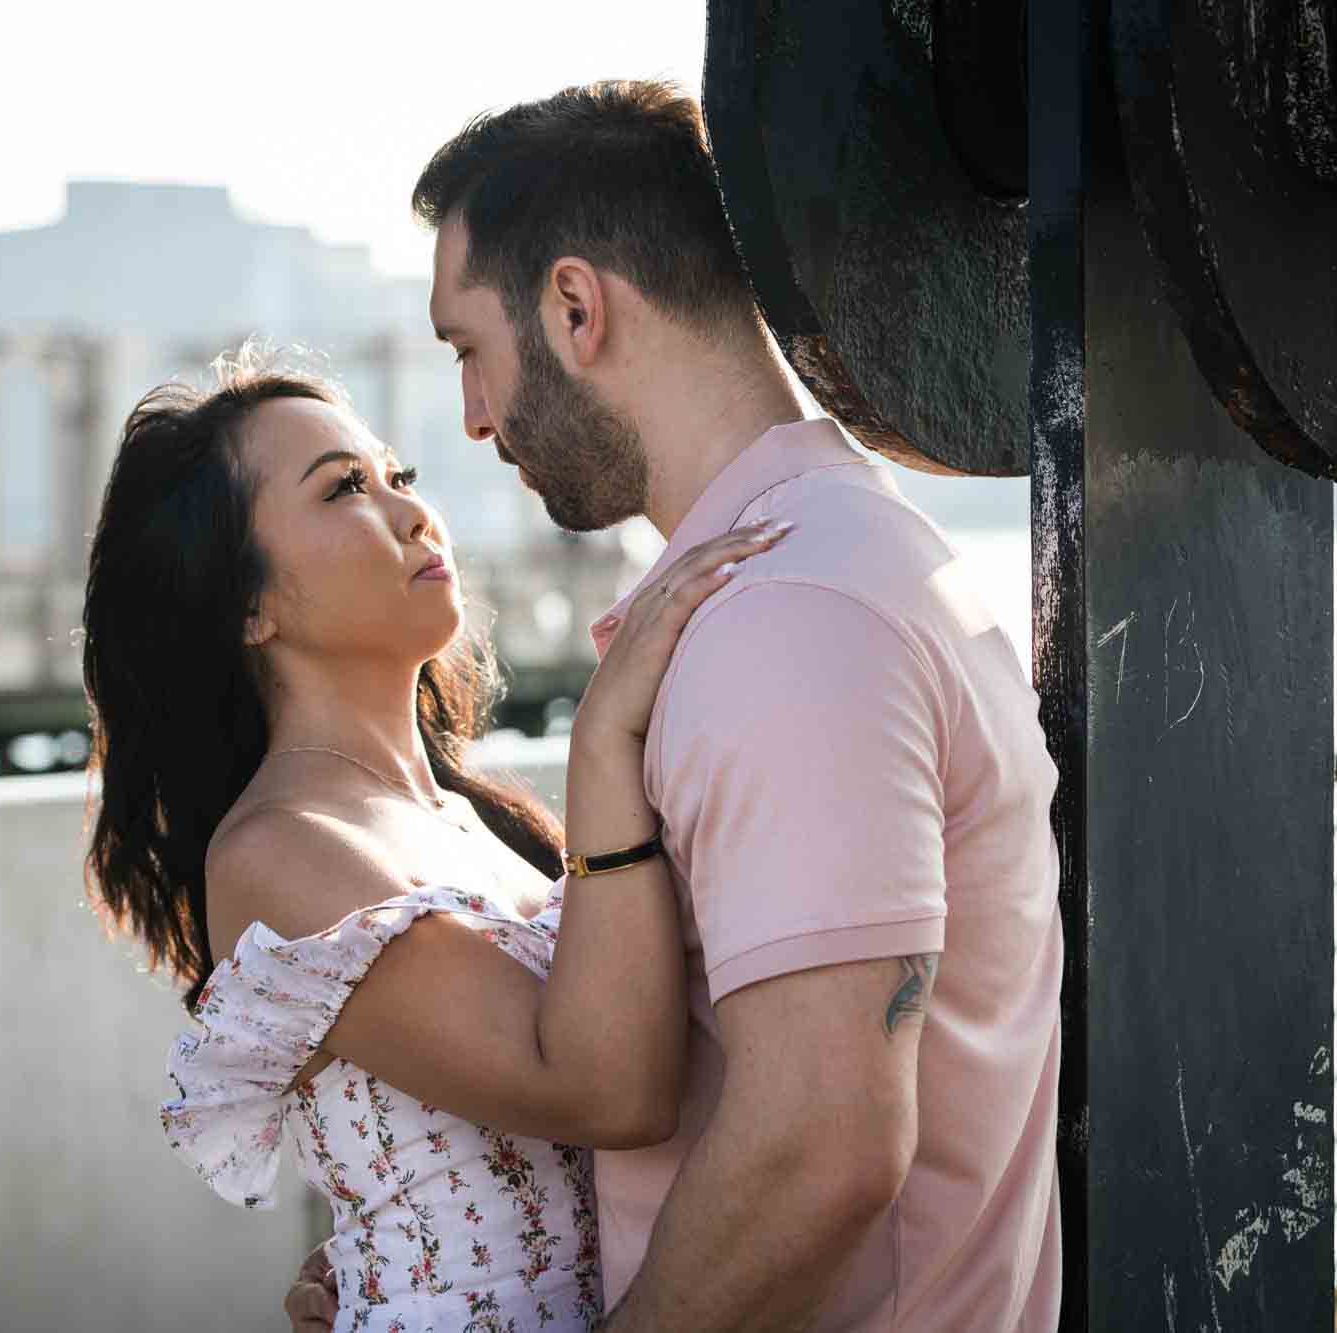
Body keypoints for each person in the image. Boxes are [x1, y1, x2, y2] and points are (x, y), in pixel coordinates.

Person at [290, 80, 1065, 1331]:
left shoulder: (789, 619)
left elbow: (819, 1148)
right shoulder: (825, 568)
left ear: (575, 307)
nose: (476, 419)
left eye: (466, 352)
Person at [80, 353, 796, 1331]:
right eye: (342, 490)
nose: (412, 514)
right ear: (250, 606)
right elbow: (607, 1091)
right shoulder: (277, 848)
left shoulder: (485, 818)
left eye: (396, 478)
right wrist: (603, 742)